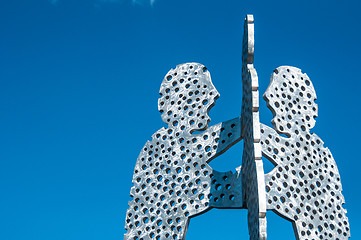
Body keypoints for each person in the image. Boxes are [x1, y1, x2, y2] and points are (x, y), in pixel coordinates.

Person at [124, 63, 243, 240]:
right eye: (205, 93)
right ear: (188, 100)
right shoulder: (163, 145)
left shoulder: (167, 143)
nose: (215, 95)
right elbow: (201, 187)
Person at [260, 66, 350, 240]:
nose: (272, 118)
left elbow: (287, 189)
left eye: (274, 107)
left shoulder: (311, 149)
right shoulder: (317, 147)